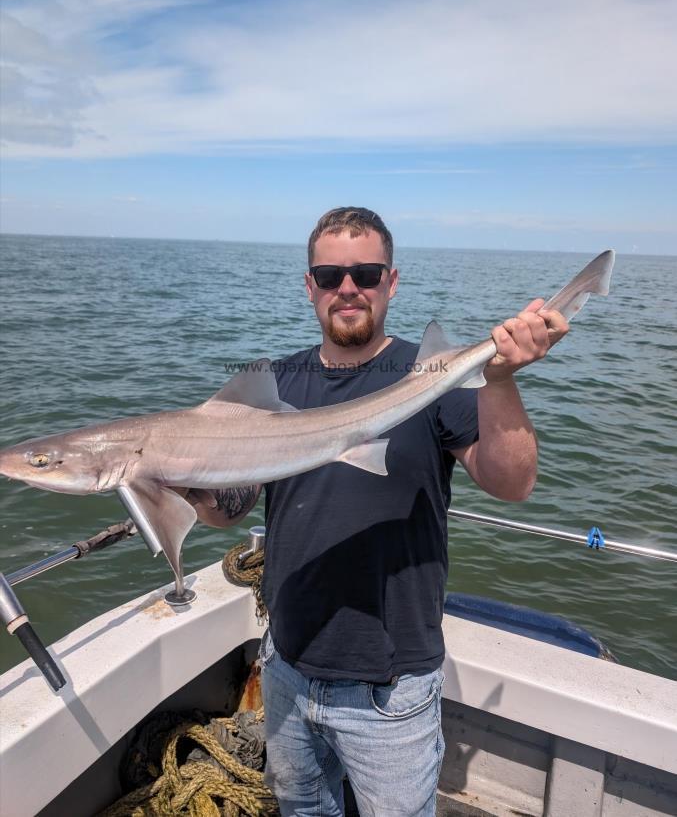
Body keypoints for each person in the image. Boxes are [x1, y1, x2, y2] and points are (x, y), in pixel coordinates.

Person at [187, 207, 568, 816]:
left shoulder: (433, 377)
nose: (348, 288)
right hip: (288, 664)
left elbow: (513, 483)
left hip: (391, 687)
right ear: (308, 284)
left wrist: (498, 381)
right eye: (331, 274)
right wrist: (188, 483)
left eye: (365, 273)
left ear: (391, 281)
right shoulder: (270, 386)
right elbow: (231, 508)